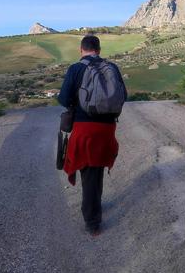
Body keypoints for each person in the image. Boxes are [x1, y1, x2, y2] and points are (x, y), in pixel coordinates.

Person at [58, 35, 127, 235]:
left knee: (88, 174)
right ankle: (95, 206)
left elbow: (63, 99)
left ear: (81, 50)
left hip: (84, 130)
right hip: (107, 130)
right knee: (95, 171)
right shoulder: (112, 68)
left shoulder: (76, 68)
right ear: (99, 49)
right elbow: (124, 96)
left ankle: (92, 222)